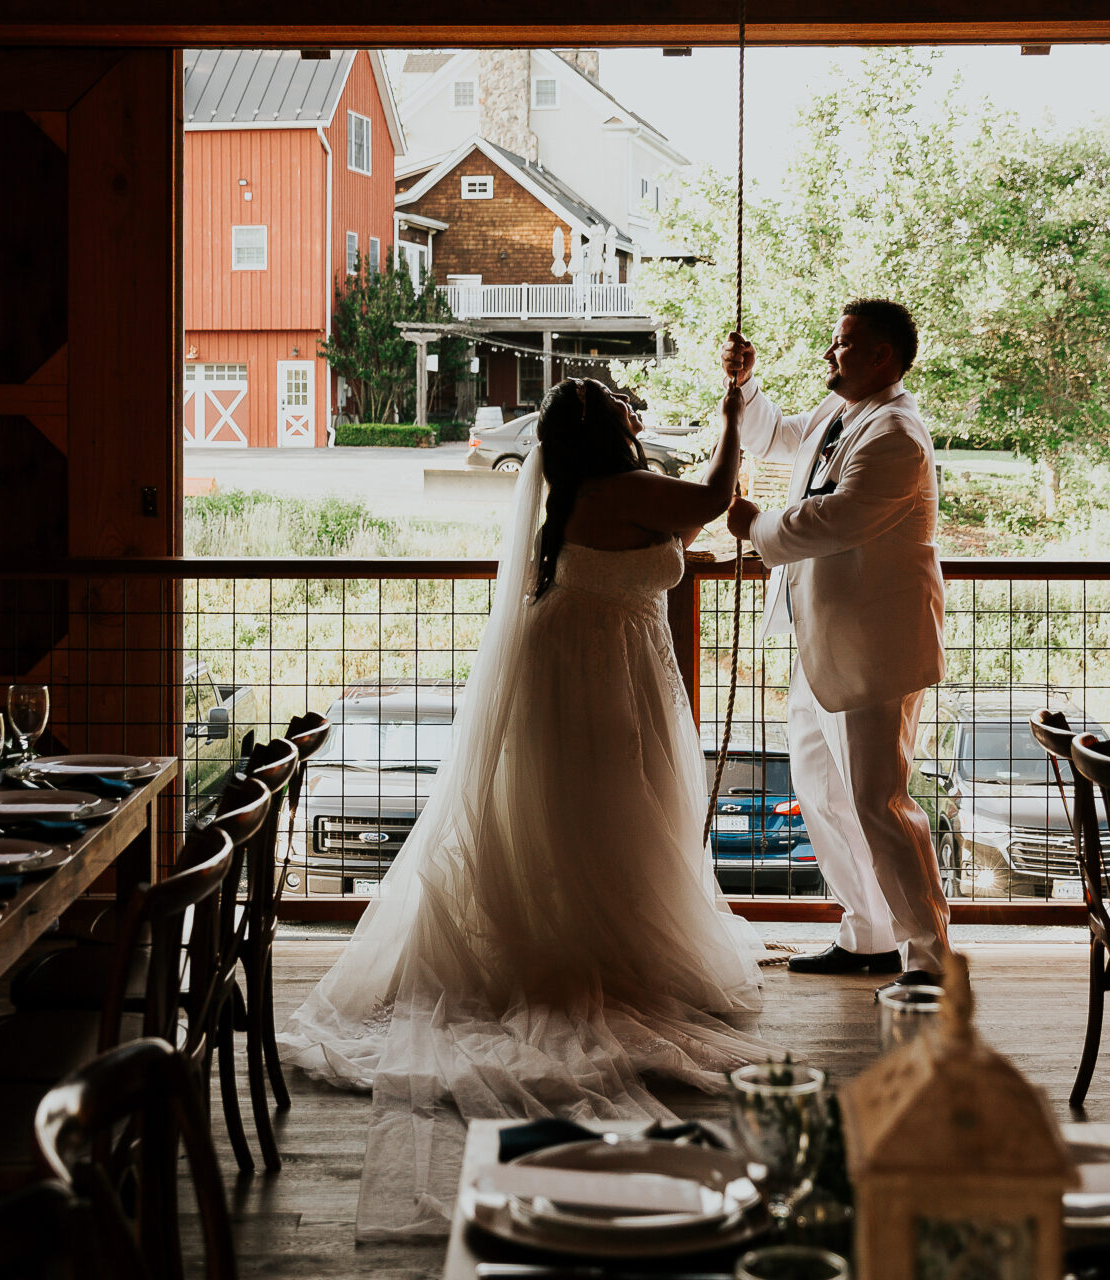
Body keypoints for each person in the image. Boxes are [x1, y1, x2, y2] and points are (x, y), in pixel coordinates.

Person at [279, 377, 776, 1239]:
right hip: (595, 670)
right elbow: (705, 500)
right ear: (600, 431)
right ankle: (586, 950)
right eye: (623, 402)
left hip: (605, 660)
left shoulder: (601, 489)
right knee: (604, 819)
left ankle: (593, 938)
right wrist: (734, 420)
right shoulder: (615, 489)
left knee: (603, 821)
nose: (634, 404)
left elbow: (684, 514)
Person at [721, 298, 951, 991]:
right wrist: (744, 385)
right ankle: (867, 934)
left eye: (842, 345)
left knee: (882, 803)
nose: (829, 354)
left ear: (882, 356)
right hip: (820, 642)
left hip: (874, 649)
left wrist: (757, 526)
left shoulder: (896, 436)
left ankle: (929, 961)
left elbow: (839, 520)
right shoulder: (838, 416)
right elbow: (772, 438)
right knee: (821, 791)